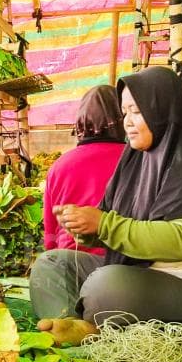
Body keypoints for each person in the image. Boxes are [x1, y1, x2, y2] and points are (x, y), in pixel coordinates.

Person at [30, 67, 182, 346]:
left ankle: (89, 328)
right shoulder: (133, 162)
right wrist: (86, 229)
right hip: (144, 275)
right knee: (51, 265)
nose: (128, 122)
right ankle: (69, 325)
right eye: (124, 113)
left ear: (162, 110)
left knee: (103, 287)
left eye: (137, 112)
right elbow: (111, 223)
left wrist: (103, 224)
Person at [43, 85, 125, 254]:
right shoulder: (137, 159)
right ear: (121, 118)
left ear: (80, 122)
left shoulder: (59, 166)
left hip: (69, 262)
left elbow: (50, 233)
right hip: (121, 264)